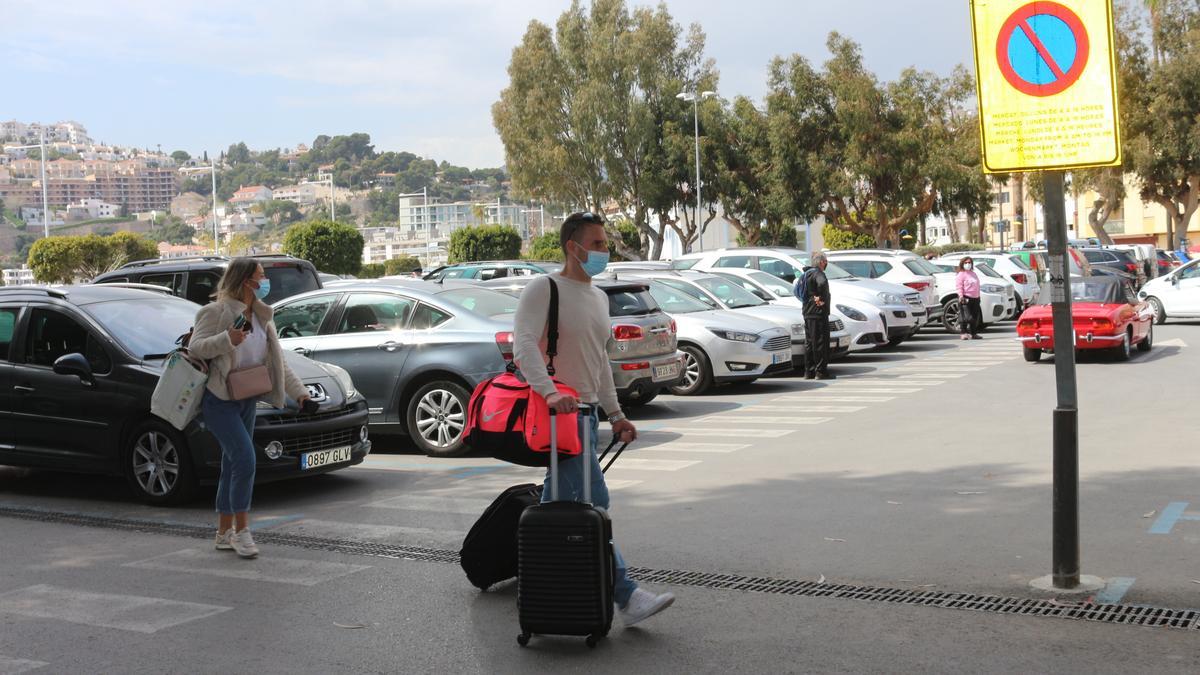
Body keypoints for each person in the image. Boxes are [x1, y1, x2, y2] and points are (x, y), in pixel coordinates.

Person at [513, 211, 675, 626]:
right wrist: (550, 394)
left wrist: (617, 414)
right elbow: (524, 346)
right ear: (574, 247)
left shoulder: (599, 298)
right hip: (558, 417)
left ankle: (540, 580)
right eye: (599, 244)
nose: (605, 251)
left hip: (586, 416)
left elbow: (600, 361)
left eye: (605, 244)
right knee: (593, 504)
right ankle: (627, 596)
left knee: (557, 507)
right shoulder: (544, 288)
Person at [188, 258, 311, 558]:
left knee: (232, 465)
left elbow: (277, 363)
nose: (265, 280)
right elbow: (195, 347)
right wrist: (226, 339)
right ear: (245, 280)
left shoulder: (262, 316)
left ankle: (222, 533)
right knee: (245, 460)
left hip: (247, 398)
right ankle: (241, 532)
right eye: (261, 276)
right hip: (219, 401)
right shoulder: (215, 312)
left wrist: (301, 395)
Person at [801, 252, 834, 380]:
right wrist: (821, 299)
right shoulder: (818, 274)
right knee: (820, 343)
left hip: (807, 312)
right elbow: (821, 284)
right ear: (821, 262)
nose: (826, 264)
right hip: (818, 313)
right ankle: (821, 372)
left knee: (809, 343)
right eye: (825, 261)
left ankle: (808, 372)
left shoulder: (806, 273)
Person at [956, 256, 982, 340]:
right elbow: (959, 286)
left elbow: (977, 285)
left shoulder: (973, 273)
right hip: (965, 298)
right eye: (966, 263)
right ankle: (963, 333)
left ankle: (973, 333)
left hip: (975, 298)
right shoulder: (961, 274)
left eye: (969, 262)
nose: (968, 264)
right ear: (962, 264)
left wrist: (978, 296)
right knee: (965, 316)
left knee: (974, 317)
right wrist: (961, 296)